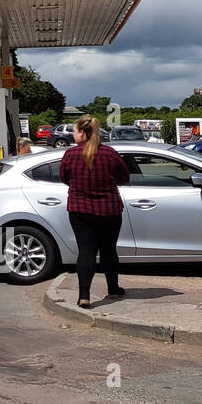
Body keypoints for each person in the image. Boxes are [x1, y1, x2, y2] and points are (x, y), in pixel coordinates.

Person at [59, 114, 130, 308]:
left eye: (74, 131)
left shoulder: (70, 155)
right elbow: (124, 177)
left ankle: (84, 296)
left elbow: (64, 178)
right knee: (108, 251)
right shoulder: (110, 154)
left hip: (79, 210)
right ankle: (113, 288)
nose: (74, 135)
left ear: (82, 133)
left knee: (86, 252)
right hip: (109, 210)